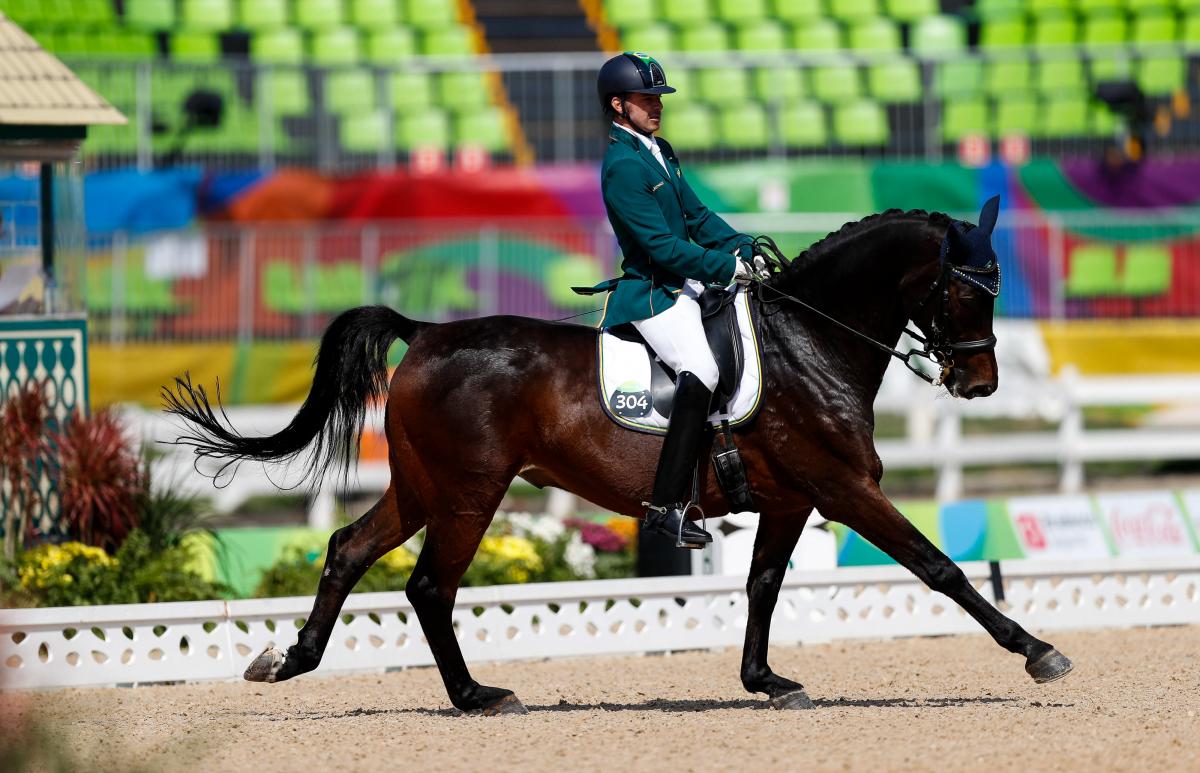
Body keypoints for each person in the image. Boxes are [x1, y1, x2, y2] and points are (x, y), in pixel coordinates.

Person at [590, 52, 767, 549]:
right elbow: (661, 248)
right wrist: (726, 266)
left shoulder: (659, 150)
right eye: (647, 98)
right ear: (618, 104)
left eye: (659, 98)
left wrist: (743, 244)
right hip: (653, 292)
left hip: (686, 283)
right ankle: (666, 506)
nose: (657, 106)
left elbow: (696, 218)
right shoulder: (622, 166)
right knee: (702, 370)